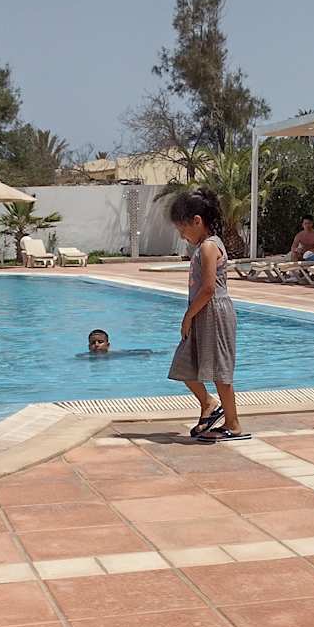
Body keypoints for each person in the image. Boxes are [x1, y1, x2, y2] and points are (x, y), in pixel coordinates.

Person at [168, 187, 250, 441]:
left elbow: (208, 288)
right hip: (203, 310)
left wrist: (188, 316)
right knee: (183, 364)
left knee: (220, 371)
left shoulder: (208, 247)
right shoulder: (204, 246)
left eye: (182, 229)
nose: (182, 235)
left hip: (213, 311)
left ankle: (233, 424)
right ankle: (208, 403)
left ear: (197, 221)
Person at [85, 329, 152, 358]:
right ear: (89, 347)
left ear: (108, 345)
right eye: (93, 343)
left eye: (100, 342)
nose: (96, 345)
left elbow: (146, 352)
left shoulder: (116, 354)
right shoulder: (84, 357)